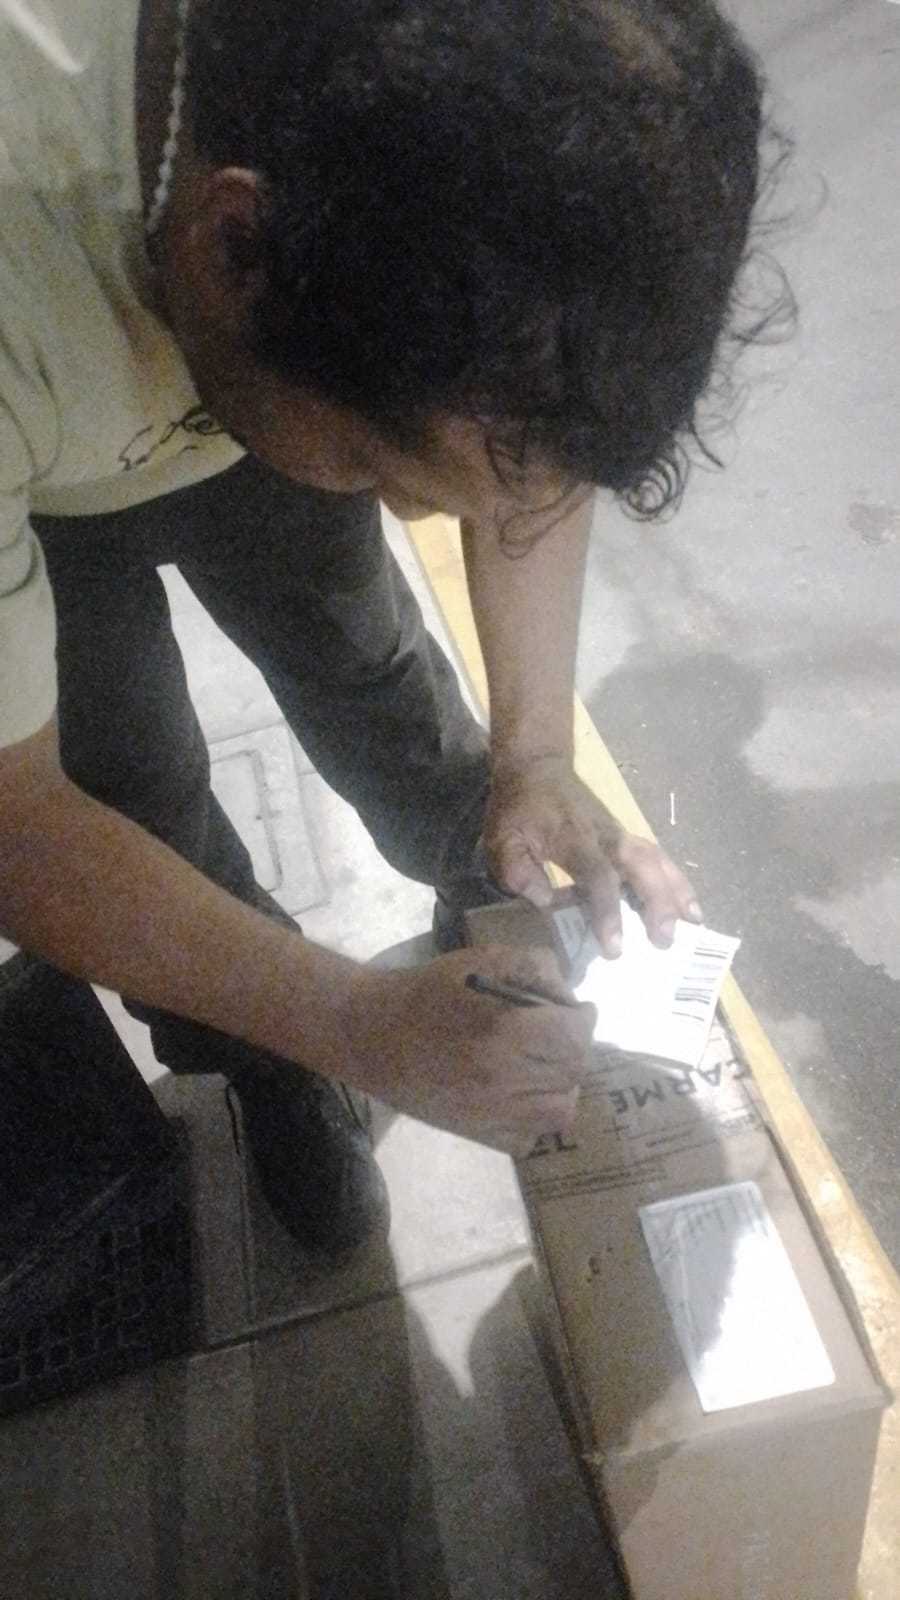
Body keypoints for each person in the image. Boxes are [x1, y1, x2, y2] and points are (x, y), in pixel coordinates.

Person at [0, 0, 765, 1257]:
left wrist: (534, 754)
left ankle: (492, 889)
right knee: (126, 774)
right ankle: (263, 1059)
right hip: (52, 479)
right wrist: (347, 1022)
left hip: (283, 375)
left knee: (366, 661)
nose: (421, 517)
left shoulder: (443, 126)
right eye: (385, 471)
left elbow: (532, 431)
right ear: (235, 247)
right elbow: (19, 817)